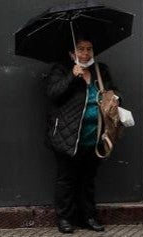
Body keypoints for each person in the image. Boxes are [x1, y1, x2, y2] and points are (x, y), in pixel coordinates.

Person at [45, 38, 119, 234]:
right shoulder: (60, 69)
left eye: (89, 49)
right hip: (67, 136)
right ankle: (65, 219)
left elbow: (114, 92)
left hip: (94, 136)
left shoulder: (100, 69)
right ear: (72, 52)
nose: (85, 53)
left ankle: (88, 217)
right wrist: (71, 76)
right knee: (66, 179)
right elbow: (53, 94)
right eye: (80, 49)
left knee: (88, 180)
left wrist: (113, 99)